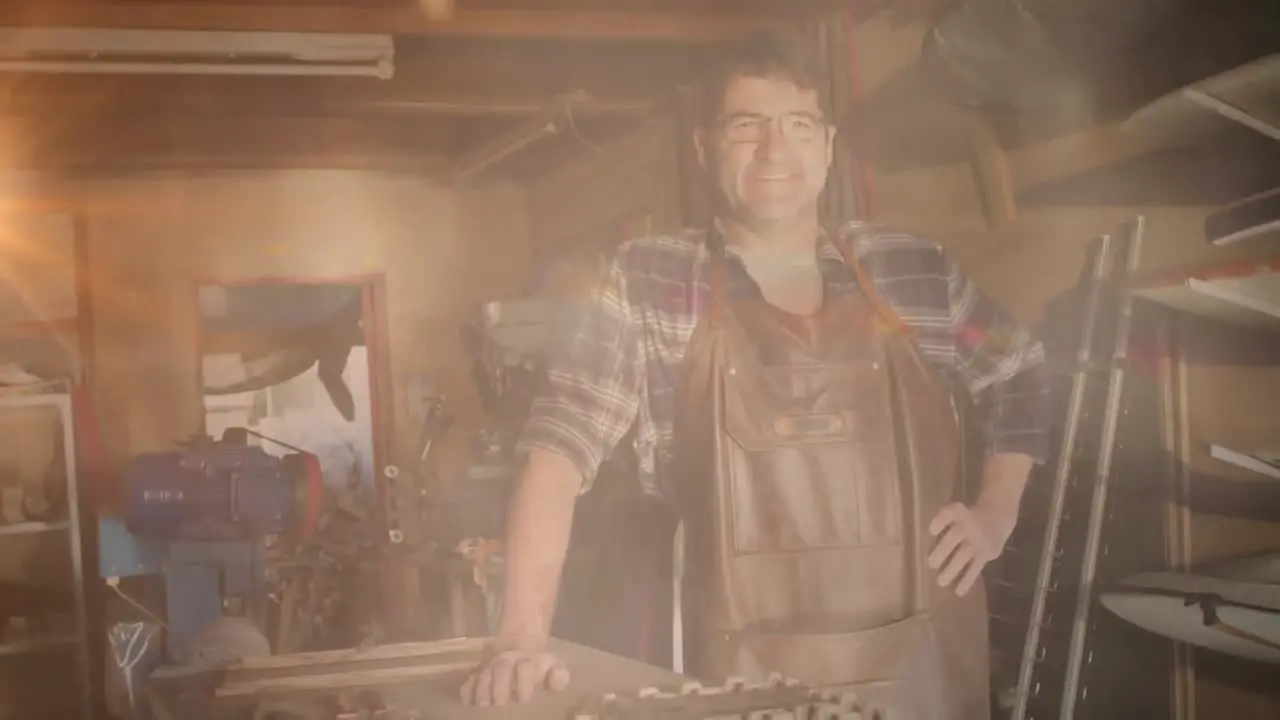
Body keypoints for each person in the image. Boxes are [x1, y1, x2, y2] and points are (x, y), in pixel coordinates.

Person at [460, 30, 1050, 719]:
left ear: (828, 148)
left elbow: (1021, 368)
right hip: (739, 682)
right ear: (705, 149)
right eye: (748, 127)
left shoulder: (913, 268)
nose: (776, 151)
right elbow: (558, 453)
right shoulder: (647, 279)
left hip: (922, 672)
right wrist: (522, 636)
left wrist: (996, 511)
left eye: (798, 126)